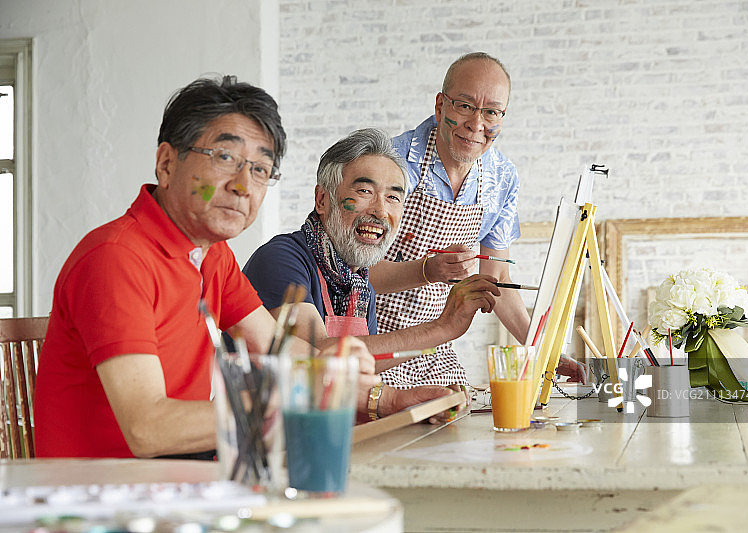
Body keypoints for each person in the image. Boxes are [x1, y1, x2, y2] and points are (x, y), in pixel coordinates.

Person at [33, 76, 437, 459]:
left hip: (181, 478)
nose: (244, 185)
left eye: (260, 169)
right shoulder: (116, 258)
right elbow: (148, 428)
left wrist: (383, 399)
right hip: (99, 499)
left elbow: (284, 350)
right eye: (225, 157)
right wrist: (308, 388)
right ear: (167, 163)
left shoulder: (213, 256)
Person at [243, 128, 501, 423]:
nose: (380, 211)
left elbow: (361, 367)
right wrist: (442, 328)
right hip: (267, 448)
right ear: (322, 200)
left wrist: (423, 395)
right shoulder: (281, 260)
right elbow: (322, 358)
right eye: (365, 192)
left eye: (393, 197)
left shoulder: (358, 281)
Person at [371, 52, 586, 389]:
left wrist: (542, 348)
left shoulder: (502, 177)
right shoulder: (392, 163)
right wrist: (429, 270)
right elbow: (351, 274)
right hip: (374, 344)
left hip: (433, 351)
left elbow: (497, 276)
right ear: (441, 106)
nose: (477, 124)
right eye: (465, 106)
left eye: (492, 112)